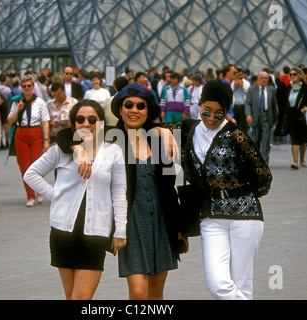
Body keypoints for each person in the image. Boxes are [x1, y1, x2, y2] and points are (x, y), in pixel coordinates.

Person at [57, 83, 183, 300]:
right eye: (128, 104)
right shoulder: (110, 136)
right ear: (120, 109)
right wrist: (78, 149)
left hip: (161, 221)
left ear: (148, 110)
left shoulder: (159, 137)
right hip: (130, 222)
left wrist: (167, 130)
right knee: (137, 291)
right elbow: (63, 135)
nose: (134, 110)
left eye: (141, 106)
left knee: (155, 292)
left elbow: (172, 188)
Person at [161, 80, 272, 300]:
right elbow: (143, 133)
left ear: (227, 111)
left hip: (245, 217)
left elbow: (263, 177)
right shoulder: (186, 129)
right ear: (199, 105)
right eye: (206, 111)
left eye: (218, 114)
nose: (211, 118)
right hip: (210, 218)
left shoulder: (236, 135)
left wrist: (237, 192)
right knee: (217, 285)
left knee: (242, 284)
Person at [23, 100, 127, 300]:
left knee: (81, 298)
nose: (85, 124)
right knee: (71, 297)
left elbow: (119, 192)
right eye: (80, 119)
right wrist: (55, 194)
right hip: (63, 233)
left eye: (92, 119)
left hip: (95, 234)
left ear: (102, 123)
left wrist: (120, 230)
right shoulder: (61, 151)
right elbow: (31, 174)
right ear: (73, 124)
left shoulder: (113, 151)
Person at [7, 75, 50, 207]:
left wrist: (46, 140)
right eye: (24, 86)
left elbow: (45, 122)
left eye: (29, 86)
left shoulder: (40, 102)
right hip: (21, 133)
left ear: (33, 87)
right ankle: (30, 195)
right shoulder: (16, 102)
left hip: (35, 133)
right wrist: (18, 109)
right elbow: (10, 121)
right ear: (21, 87)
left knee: (37, 164)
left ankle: (39, 190)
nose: (27, 88)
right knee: (24, 166)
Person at [282, 67, 307, 169]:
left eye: (294, 74)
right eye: (291, 75)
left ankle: (302, 160)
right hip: (291, 115)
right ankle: (295, 162)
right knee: (294, 138)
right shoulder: (288, 88)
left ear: (299, 75)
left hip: (302, 115)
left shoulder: (306, 87)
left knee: (303, 139)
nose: (292, 76)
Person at [245, 71, 278, 164]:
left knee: (266, 141)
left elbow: (274, 105)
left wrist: (275, 119)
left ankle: (264, 164)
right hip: (255, 117)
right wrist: (248, 115)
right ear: (258, 79)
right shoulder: (252, 90)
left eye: (266, 78)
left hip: (267, 117)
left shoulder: (272, 90)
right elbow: (248, 103)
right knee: (255, 141)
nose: (264, 80)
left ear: (268, 80)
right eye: (262, 78)